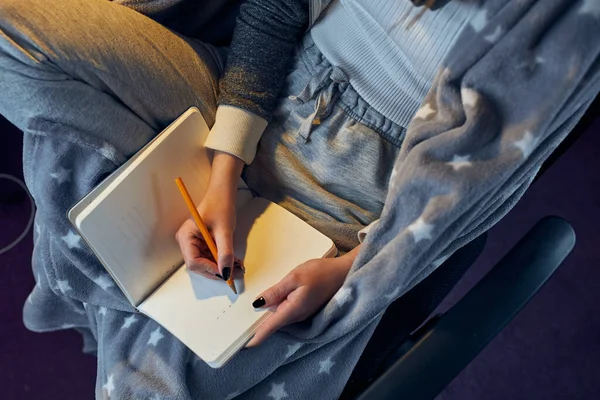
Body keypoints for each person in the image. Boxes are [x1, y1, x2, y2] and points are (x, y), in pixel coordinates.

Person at [1, 0, 598, 398]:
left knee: (161, 381)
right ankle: (144, 269)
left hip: (375, 182)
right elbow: (275, 9)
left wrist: (348, 272)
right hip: (263, 87)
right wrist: (221, 169)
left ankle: (144, 305)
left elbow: (481, 178)